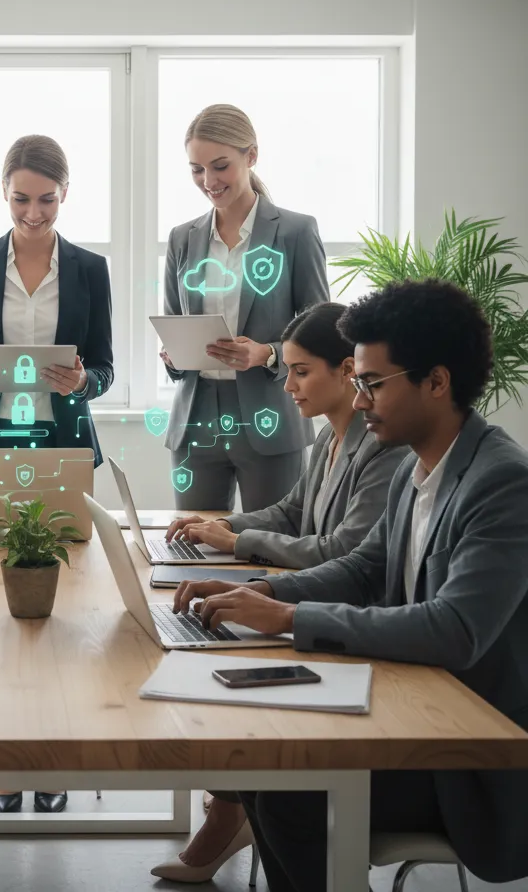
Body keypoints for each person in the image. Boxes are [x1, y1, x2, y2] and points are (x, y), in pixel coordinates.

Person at [171, 279, 528, 890]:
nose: (359, 400)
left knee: (288, 791)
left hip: (467, 758)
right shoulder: (417, 465)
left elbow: (455, 628)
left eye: (372, 383)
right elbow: (362, 568)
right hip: (411, 708)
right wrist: (264, 597)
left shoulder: (501, 483)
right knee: (266, 764)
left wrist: (288, 620)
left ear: (436, 382)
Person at [149, 301, 408, 883]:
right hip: (318, 605)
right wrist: (224, 527)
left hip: (349, 630)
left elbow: (345, 549)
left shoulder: (385, 449)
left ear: (347, 371)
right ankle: (233, 817)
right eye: (286, 370)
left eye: (299, 371)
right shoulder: (328, 441)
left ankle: (236, 820)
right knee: (215, 670)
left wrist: (240, 550)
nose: (286, 384)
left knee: (243, 722)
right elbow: (293, 513)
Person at [0, 134, 113, 814]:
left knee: (66, 608)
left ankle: (56, 759)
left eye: (46, 199)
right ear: (3, 193)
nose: (33, 213)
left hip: (62, 439)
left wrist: (84, 380)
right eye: (21, 199)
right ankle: (2, 761)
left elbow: (105, 368)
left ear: (65, 194)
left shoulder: (91, 269)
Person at [162, 104, 330, 512]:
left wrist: (266, 353)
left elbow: (322, 332)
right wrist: (173, 355)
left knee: (271, 550)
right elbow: (172, 323)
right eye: (197, 169)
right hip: (195, 418)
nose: (208, 181)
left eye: (220, 166)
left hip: (271, 415)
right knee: (194, 546)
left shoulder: (295, 231)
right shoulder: (182, 238)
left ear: (250, 156)